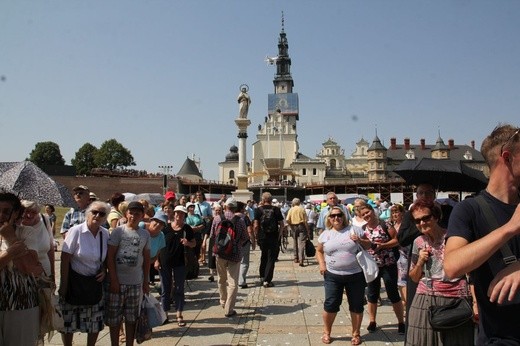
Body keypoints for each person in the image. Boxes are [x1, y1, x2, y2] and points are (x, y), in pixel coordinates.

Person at [445, 124, 520, 344]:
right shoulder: (469, 209)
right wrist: (509, 228)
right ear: (507, 157)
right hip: (500, 338)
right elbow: (452, 265)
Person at [405, 199, 473, 345]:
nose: (422, 223)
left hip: (457, 300)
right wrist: (420, 262)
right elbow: (414, 277)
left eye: (426, 218)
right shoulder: (418, 242)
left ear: (435, 217)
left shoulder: (454, 238)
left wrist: (475, 303)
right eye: (417, 221)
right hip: (426, 299)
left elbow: (470, 272)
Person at [59, 201, 110, 346]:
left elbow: (106, 257)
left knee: (94, 321)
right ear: (88, 213)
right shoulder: (76, 231)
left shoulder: (105, 234)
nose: (97, 216)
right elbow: (65, 257)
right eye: (94, 212)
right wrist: (64, 284)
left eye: (102, 214)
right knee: (68, 322)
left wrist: (104, 270)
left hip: (93, 283)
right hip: (75, 282)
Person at [316, 206, 369, 345]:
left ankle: (356, 334)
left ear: (344, 216)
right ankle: (326, 332)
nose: (336, 218)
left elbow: (369, 246)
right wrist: (322, 264)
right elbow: (319, 251)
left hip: (355, 274)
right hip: (333, 275)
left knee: (357, 305)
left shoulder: (354, 230)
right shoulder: (326, 234)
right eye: (332, 216)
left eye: (339, 215)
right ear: (329, 218)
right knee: (331, 304)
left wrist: (359, 240)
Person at [106, 201, 151, 346]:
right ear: (126, 214)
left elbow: (146, 259)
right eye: (131, 213)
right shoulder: (118, 231)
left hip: (135, 282)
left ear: (142, 216)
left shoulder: (145, 234)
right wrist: (113, 280)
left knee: (132, 319)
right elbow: (110, 256)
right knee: (114, 319)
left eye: (137, 213)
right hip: (117, 282)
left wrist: (146, 282)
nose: (133, 216)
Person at [0, 192, 41, 346]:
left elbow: (31, 268)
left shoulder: (26, 233)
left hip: (22, 304)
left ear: (16, 213)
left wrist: (10, 237)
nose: (1, 215)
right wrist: (10, 253)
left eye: (6, 211)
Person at [357, 203, 405, 335]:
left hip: (388, 264)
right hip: (372, 266)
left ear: (372, 211)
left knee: (393, 293)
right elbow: (364, 246)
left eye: (368, 212)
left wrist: (382, 245)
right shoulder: (363, 229)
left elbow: (397, 240)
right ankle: (372, 321)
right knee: (372, 294)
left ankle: (401, 322)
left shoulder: (385, 225)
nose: (366, 215)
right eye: (363, 214)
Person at [155, 205, 195, 326]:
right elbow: (158, 244)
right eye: (177, 213)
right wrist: (156, 260)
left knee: (179, 289)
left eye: (182, 214)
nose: (179, 215)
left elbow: (194, 243)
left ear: (184, 215)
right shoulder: (166, 228)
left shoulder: (187, 228)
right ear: (174, 214)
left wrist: (188, 243)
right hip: (164, 261)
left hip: (180, 262)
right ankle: (165, 314)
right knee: (165, 289)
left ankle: (179, 313)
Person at [210, 197, 249, 317]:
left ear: (225, 206)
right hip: (234, 254)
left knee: (221, 279)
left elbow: (212, 235)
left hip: (220, 253)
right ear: (235, 208)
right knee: (233, 282)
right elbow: (245, 237)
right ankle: (229, 309)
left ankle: (223, 301)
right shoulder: (240, 220)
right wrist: (236, 244)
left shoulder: (217, 218)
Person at [254, 192, 284, 288]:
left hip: (262, 236)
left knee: (263, 256)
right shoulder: (276, 210)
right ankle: (267, 280)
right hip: (273, 236)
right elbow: (282, 224)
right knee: (271, 258)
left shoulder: (258, 210)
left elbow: (255, 225)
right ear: (271, 200)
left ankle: (262, 276)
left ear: (263, 200)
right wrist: (279, 235)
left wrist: (256, 236)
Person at [390, 203, 409, 312]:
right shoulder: (391, 225)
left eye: (397, 212)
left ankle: (406, 303)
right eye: (393, 212)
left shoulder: (405, 225)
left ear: (402, 213)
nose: (395, 214)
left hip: (404, 254)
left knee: (403, 280)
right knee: (400, 281)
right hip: (394, 256)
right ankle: (404, 301)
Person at [145, 210, 167, 286]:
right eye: (156, 221)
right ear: (151, 220)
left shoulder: (161, 236)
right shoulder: (142, 227)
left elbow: (156, 255)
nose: (158, 224)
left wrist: (147, 262)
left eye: (161, 223)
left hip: (145, 268)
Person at [286, 198, 310, 266]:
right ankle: (301, 259)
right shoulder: (302, 209)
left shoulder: (291, 209)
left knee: (295, 242)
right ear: (299, 203)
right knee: (302, 243)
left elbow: (287, 219)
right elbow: (305, 221)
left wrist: (290, 226)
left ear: (293, 203)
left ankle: (295, 257)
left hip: (293, 226)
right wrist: (307, 229)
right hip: (301, 225)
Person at [238, 201, 255, 289]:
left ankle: (234, 280)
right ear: (241, 209)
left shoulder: (230, 216)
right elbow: (250, 231)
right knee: (244, 262)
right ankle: (241, 281)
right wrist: (253, 241)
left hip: (233, 243)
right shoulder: (245, 218)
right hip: (244, 242)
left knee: (235, 262)